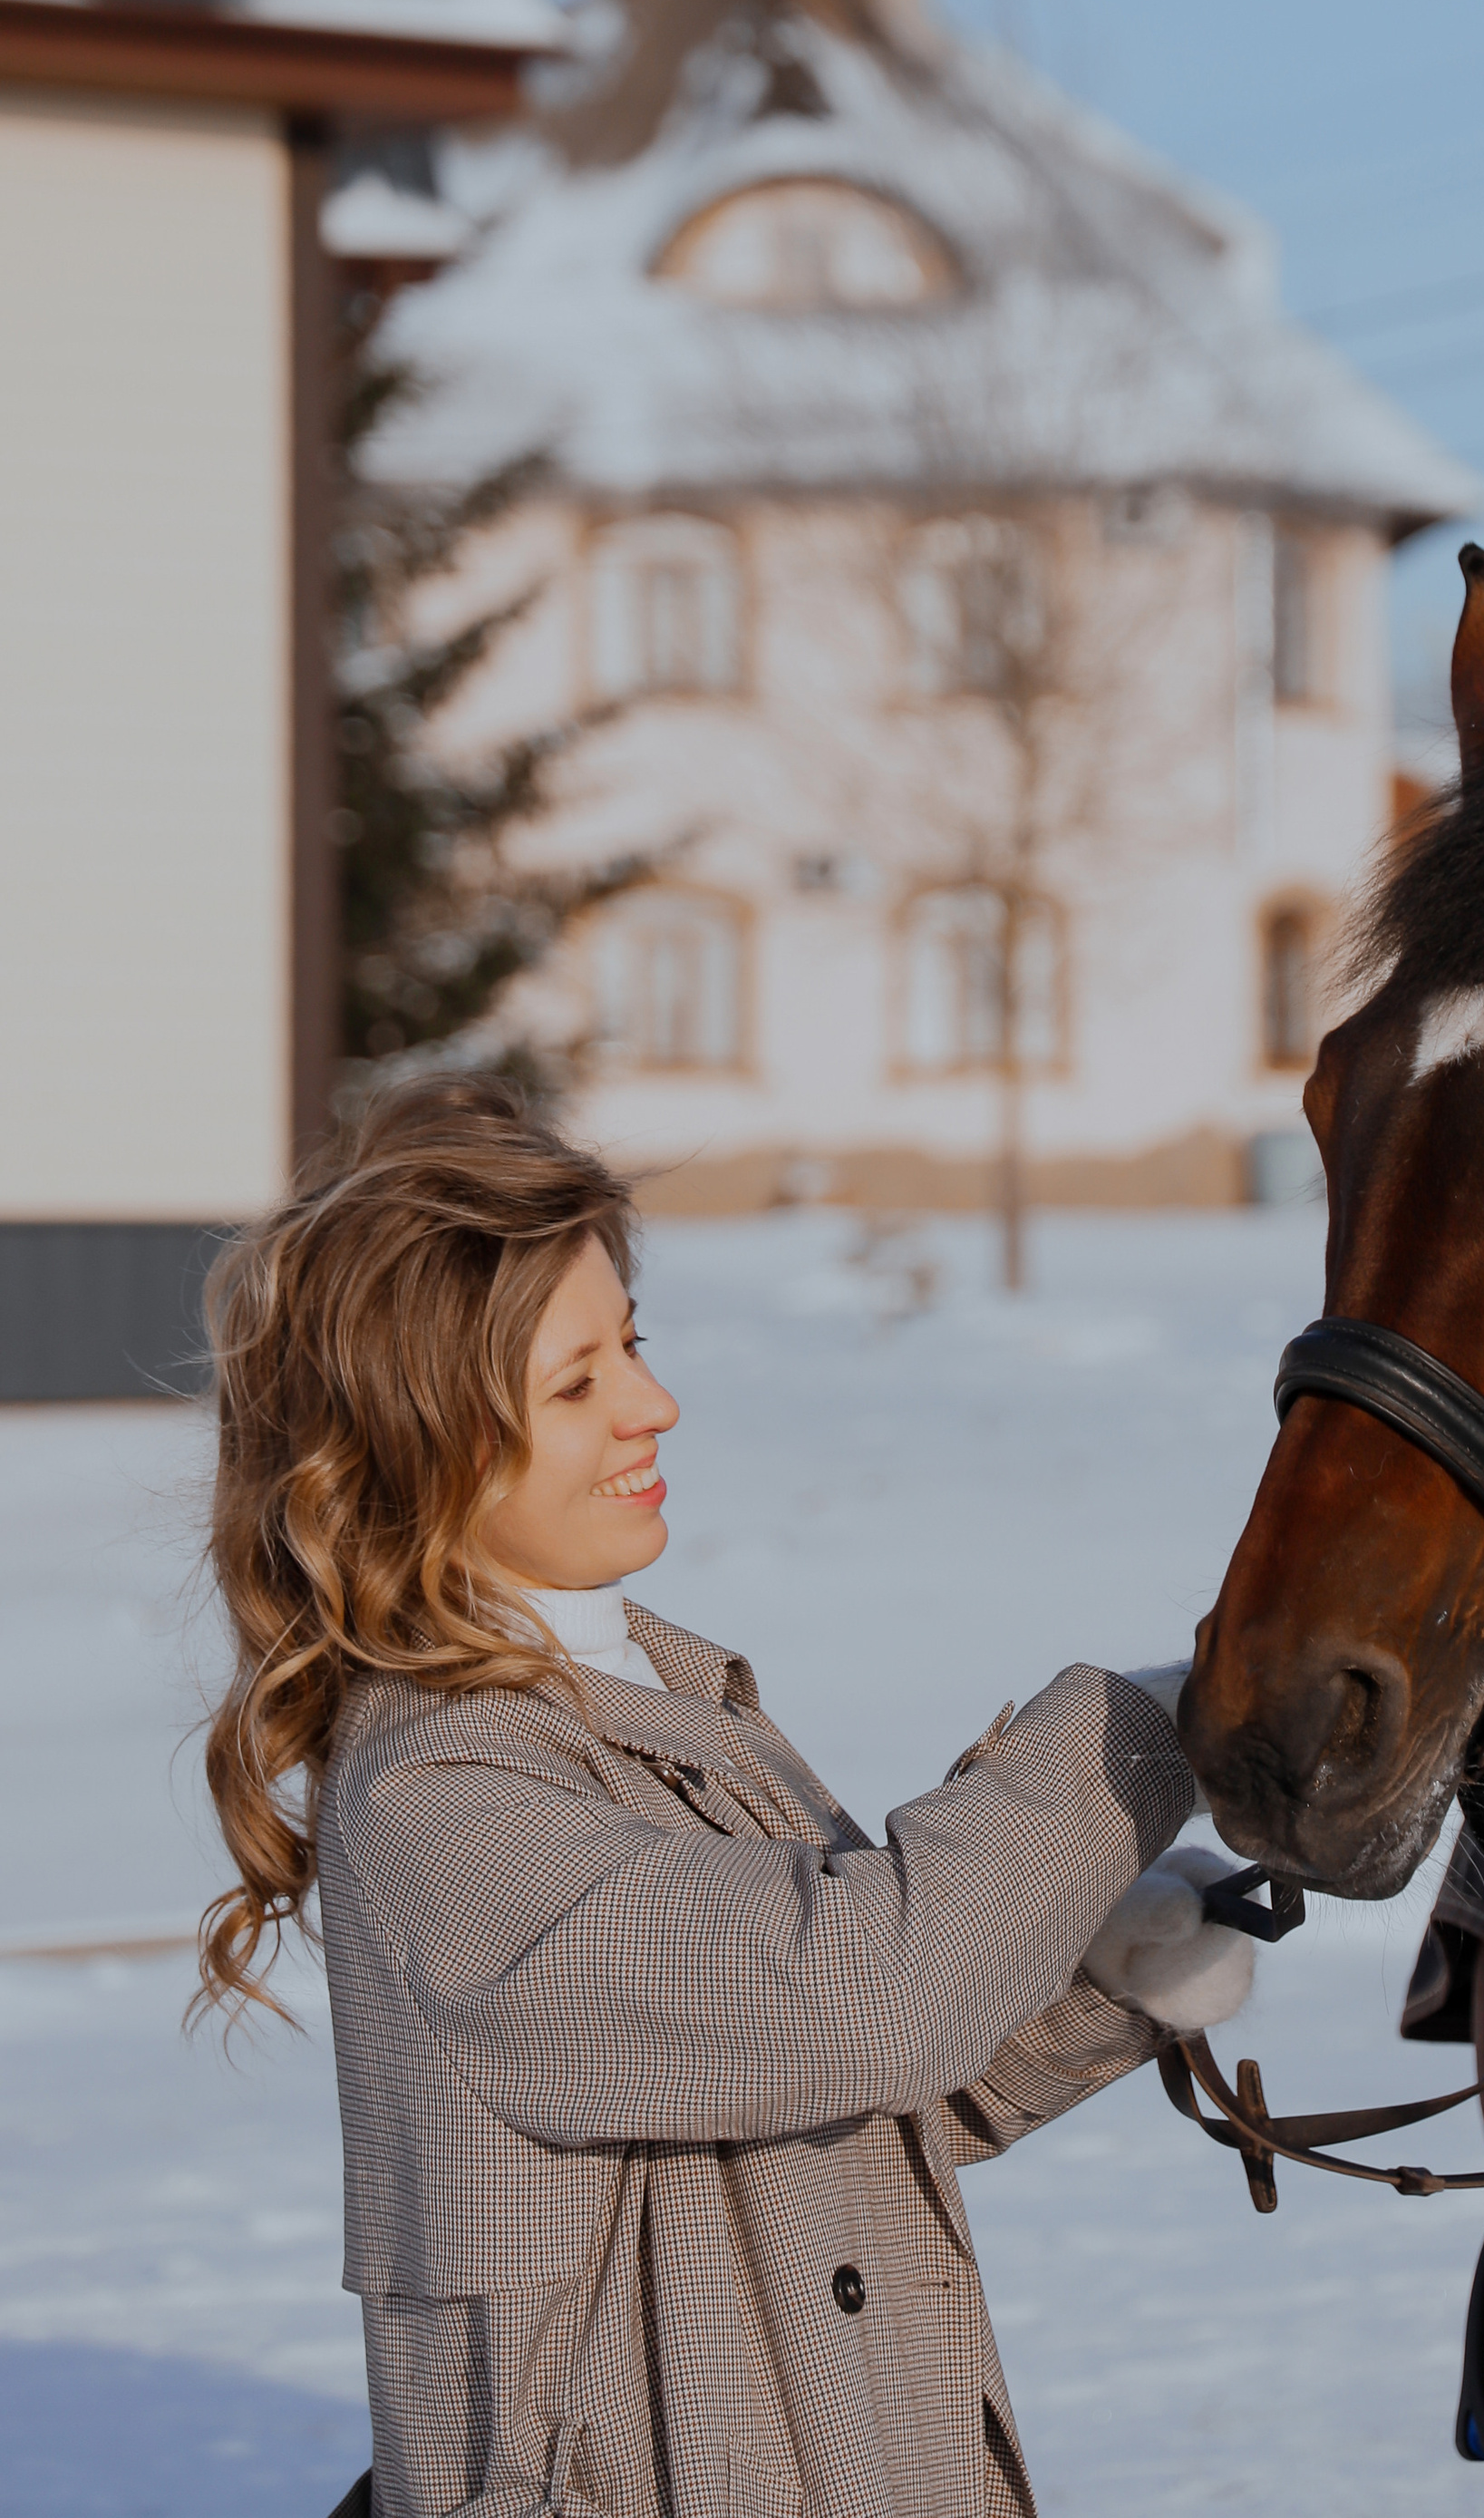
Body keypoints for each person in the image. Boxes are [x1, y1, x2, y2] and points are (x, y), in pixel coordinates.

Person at [198, 1078, 1251, 2518]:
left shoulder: (663, 1710)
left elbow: (863, 2087)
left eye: (631, 1342)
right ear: (419, 1442)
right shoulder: (447, 1797)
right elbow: (863, 1994)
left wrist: (1099, 1972)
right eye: (576, 1383)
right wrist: (1162, 1727)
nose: (653, 1403)